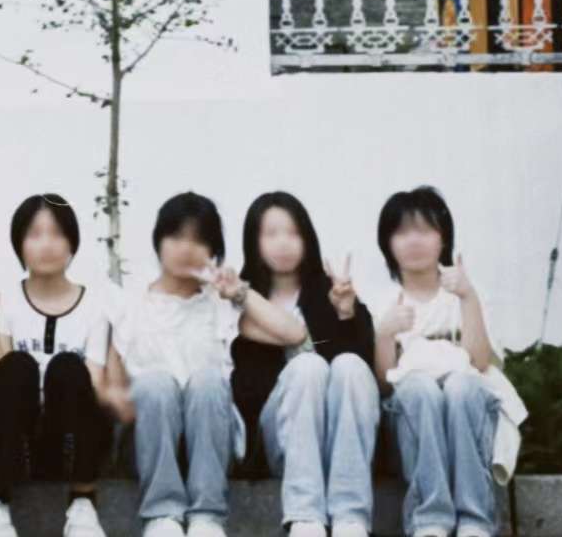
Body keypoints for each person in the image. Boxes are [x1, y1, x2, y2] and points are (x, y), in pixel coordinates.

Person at [105, 191, 307, 537]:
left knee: (208, 380)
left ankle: (207, 516)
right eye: (176, 236)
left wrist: (239, 291)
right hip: (149, 442)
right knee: (155, 383)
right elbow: (116, 389)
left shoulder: (220, 305)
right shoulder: (130, 303)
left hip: (213, 440)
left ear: (213, 250)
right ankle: (162, 515)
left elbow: (294, 333)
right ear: (159, 241)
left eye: (199, 239)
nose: (186, 247)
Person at [374, 186, 526, 537]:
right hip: (410, 424)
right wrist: (384, 334)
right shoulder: (383, 302)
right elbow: (383, 384)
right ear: (388, 244)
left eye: (425, 229)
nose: (414, 240)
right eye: (402, 232)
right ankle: (430, 521)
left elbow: (480, 361)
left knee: (462, 385)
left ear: (443, 238)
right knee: (419, 388)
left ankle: (475, 521)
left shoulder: (467, 293)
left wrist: (468, 297)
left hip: (467, 410)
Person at [231, 191, 378, 537]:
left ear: (307, 238)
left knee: (349, 365)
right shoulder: (242, 298)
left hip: (340, 445)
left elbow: (363, 375)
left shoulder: (331, 292)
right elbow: (246, 387)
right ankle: (305, 517)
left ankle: (350, 518)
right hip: (280, 441)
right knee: (307, 367)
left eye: (293, 233)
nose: (283, 243)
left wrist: (346, 315)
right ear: (254, 241)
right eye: (271, 233)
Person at [0, 194, 112, 537]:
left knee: (68, 367)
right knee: (16, 366)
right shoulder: (7, 300)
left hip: (68, 439)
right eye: (35, 234)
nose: (47, 244)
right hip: (19, 440)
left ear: (72, 243)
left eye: (57, 234)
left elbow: (94, 383)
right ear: (20, 245)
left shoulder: (95, 305)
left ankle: (82, 502)